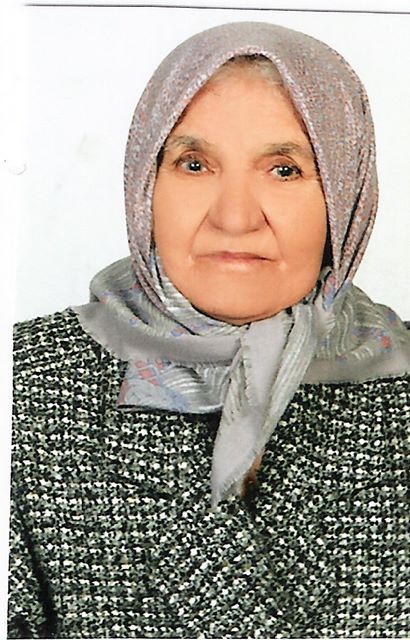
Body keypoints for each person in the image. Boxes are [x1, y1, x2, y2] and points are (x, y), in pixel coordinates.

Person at [8, 21, 410, 639]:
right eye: (194, 164)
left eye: (284, 170)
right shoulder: (24, 385)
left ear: (346, 194)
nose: (235, 217)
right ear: (145, 183)